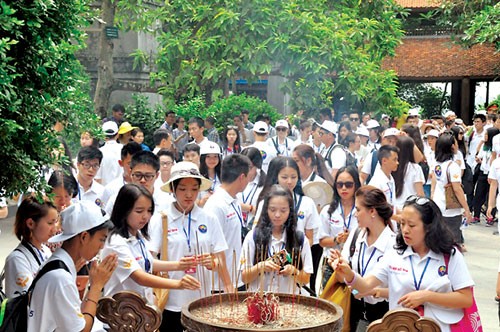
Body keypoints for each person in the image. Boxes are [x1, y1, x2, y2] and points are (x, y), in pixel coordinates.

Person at [330, 195, 474, 332]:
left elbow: (466, 299)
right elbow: (365, 286)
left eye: (411, 225)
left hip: (439, 328)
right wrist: (348, 274)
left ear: (429, 226)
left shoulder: (450, 255)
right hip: (399, 327)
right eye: (402, 223)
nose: (405, 230)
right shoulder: (395, 253)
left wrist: (426, 296)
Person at [147, 162, 232, 332]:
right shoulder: (161, 219)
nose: (189, 194)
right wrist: (177, 265)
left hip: (202, 301)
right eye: (183, 188)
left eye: (194, 189)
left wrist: (213, 263)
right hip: (171, 302)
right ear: (172, 189)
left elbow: (220, 258)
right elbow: (148, 261)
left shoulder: (209, 218)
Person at [27, 201, 118, 332]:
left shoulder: (61, 265)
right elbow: (82, 330)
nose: (102, 246)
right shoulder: (60, 278)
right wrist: (96, 287)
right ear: (84, 236)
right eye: (102, 239)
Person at [102, 184, 200, 305]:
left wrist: (179, 265)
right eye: (139, 211)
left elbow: (147, 262)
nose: (145, 216)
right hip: (121, 313)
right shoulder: (116, 242)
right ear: (124, 210)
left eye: (149, 211)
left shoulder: (137, 234)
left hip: (140, 310)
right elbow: (139, 277)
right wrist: (178, 284)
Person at [331, 186, 395, 329]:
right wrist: (339, 267)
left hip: (383, 316)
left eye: (358, 209)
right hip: (355, 312)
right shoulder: (356, 235)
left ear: (372, 211)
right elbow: (346, 282)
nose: (355, 214)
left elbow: (401, 289)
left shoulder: (393, 244)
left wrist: (376, 292)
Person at [254, 156, 320, 292]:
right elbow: (259, 231)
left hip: (296, 264)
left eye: (293, 177)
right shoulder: (264, 202)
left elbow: (310, 238)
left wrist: (292, 257)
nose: (289, 181)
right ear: (276, 176)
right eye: (284, 177)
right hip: (267, 268)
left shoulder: (307, 203)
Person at [240, 185, 313, 294]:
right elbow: (244, 278)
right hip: (259, 301)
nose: (277, 215)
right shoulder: (253, 237)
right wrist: (260, 267)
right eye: (272, 210)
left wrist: (294, 271)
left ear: (290, 211)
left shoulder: (300, 239)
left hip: (289, 303)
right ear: (266, 209)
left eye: (283, 210)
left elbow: (306, 279)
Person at [204, 154, 252, 292]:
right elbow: (214, 248)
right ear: (242, 177)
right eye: (248, 178)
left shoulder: (234, 200)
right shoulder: (216, 205)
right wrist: (227, 284)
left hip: (235, 277)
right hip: (220, 286)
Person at [4, 196, 58, 298]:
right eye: (50, 223)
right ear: (30, 223)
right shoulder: (17, 259)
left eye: (55, 222)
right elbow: (33, 298)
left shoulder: (46, 251)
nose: (54, 229)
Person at [318, 166, 361, 287]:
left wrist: (351, 238)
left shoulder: (362, 210)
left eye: (348, 184)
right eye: (339, 184)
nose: (343, 188)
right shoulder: (328, 211)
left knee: (353, 297)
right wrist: (337, 239)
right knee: (330, 301)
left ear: (356, 185)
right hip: (331, 265)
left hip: (354, 265)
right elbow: (322, 241)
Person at [431, 132, 472, 249]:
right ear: (452, 147)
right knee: (453, 240)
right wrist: (466, 208)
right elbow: (457, 189)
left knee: (440, 238)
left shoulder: (436, 164)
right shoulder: (452, 166)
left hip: (438, 204)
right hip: (451, 209)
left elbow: (434, 180)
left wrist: (433, 196)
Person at [101, 142, 142, 208]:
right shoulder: (111, 189)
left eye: (138, 163)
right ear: (121, 163)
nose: (134, 167)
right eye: (130, 163)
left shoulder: (149, 185)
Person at [472, 127, 499, 225]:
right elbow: (478, 155)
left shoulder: (495, 147)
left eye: (487, 135)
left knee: (491, 195)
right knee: (479, 194)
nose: (485, 136)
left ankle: (490, 217)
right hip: (483, 173)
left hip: (493, 175)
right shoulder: (485, 146)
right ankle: (476, 215)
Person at [393, 136, 425, 211]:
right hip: (410, 209)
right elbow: (420, 193)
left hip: (395, 208)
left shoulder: (393, 166)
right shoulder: (415, 168)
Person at [238, 147, 267, 226]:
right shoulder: (234, 180)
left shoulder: (265, 185)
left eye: (249, 167)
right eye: (242, 166)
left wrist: (249, 208)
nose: (245, 170)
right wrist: (249, 208)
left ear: (257, 166)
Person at [95, 121, 123, 186]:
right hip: (123, 191)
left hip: (104, 192)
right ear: (117, 135)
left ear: (103, 136)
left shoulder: (99, 152)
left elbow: (97, 178)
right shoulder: (124, 150)